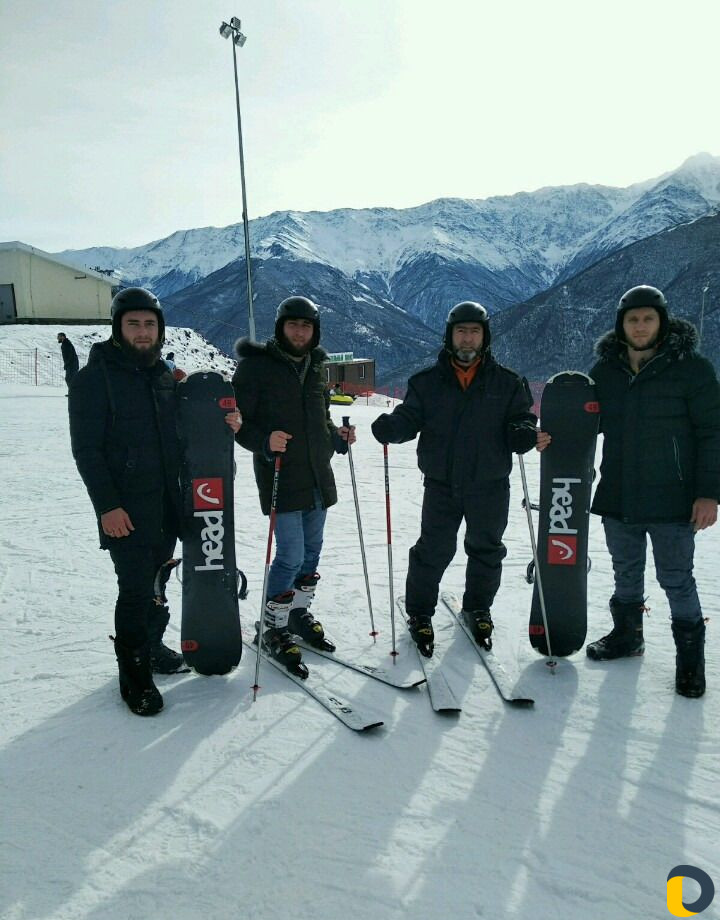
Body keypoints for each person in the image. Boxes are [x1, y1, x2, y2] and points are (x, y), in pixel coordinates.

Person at [68, 286, 242, 715]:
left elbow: (187, 431)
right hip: (124, 510)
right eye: (134, 324)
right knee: (133, 592)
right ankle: (135, 675)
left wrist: (227, 423)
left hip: (166, 504)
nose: (143, 332)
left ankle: (152, 645)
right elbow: (86, 451)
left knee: (159, 583)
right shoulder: (94, 380)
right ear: (118, 328)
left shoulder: (163, 377)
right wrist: (107, 507)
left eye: (150, 324)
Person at [370, 301, 539, 657]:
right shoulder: (427, 383)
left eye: (474, 331)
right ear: (450, 336)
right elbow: (409, 417)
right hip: (443, 483)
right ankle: (419, 612)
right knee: (434, 549)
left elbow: (521, 418)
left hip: (490, 483)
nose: (467, 338)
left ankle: (478, 607)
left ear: (485, 337)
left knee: (486, 549)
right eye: (461, 331)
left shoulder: (507, 383)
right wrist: (392, 428)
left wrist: (523, 432)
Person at [584, 284, 720, 698]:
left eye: (648, 318)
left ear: (662, 322)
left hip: (674, 497)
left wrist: (709, 494)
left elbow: (713, 432)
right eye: (632, 319)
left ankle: (690, 664)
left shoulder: (691, 368)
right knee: (626, 572)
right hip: (620, 493)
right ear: (621, 325)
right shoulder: (605, 372)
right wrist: (553, 435)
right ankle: (628, 637)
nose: (640, 326)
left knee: (676, 579)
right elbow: (586, 420)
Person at [232, 295, 355, 674]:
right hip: (281, 475)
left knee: (312, 553)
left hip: (318, 475)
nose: (299, 332)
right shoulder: (256, 368)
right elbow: (239, 424)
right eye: (293, 325)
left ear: (314, 331)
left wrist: (338, 437)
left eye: (306, 326)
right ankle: (272, 626)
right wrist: (265, 441)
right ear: (280, 328)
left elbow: (322, 415)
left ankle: (298, 613)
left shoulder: (319, 365)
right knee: (289, 555)